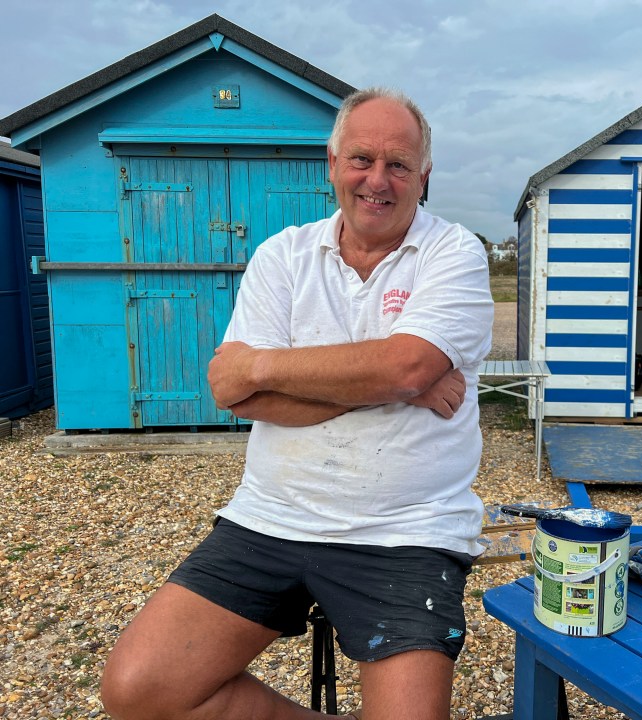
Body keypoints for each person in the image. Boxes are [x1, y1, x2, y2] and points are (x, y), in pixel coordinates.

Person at [101, 87, 494, 720]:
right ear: (332, 164)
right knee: (139, 690)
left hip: (407, 528)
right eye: (361, 159)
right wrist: (390, 386)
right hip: (269, 517)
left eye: (399, 165)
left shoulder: (455, 252)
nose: (378, 180)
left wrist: (269, 364)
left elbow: (407, 364)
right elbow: (234, 393)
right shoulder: (282, 255)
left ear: (425, 177)